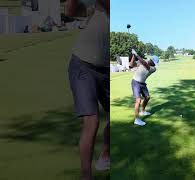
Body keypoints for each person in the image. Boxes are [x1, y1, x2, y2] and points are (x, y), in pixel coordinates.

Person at [66, 0, 109, 180]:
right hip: (82, 65)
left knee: (119, 114)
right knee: (92, 122)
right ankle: (86, 177)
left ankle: (106, 153)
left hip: (106, 70)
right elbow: (71, 11)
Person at [129, 49, 159, 126]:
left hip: (142, 84)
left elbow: (145, 64)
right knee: (138, 100)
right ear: (151, 60)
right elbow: (131, 65)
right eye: (154, 62)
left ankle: (142, 111)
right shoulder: (142, 62)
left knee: (147, 97)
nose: (155, 64)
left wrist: (136, 54)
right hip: (135, 82)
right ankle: (137, 119)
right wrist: (133, 55)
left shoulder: (153, 68)